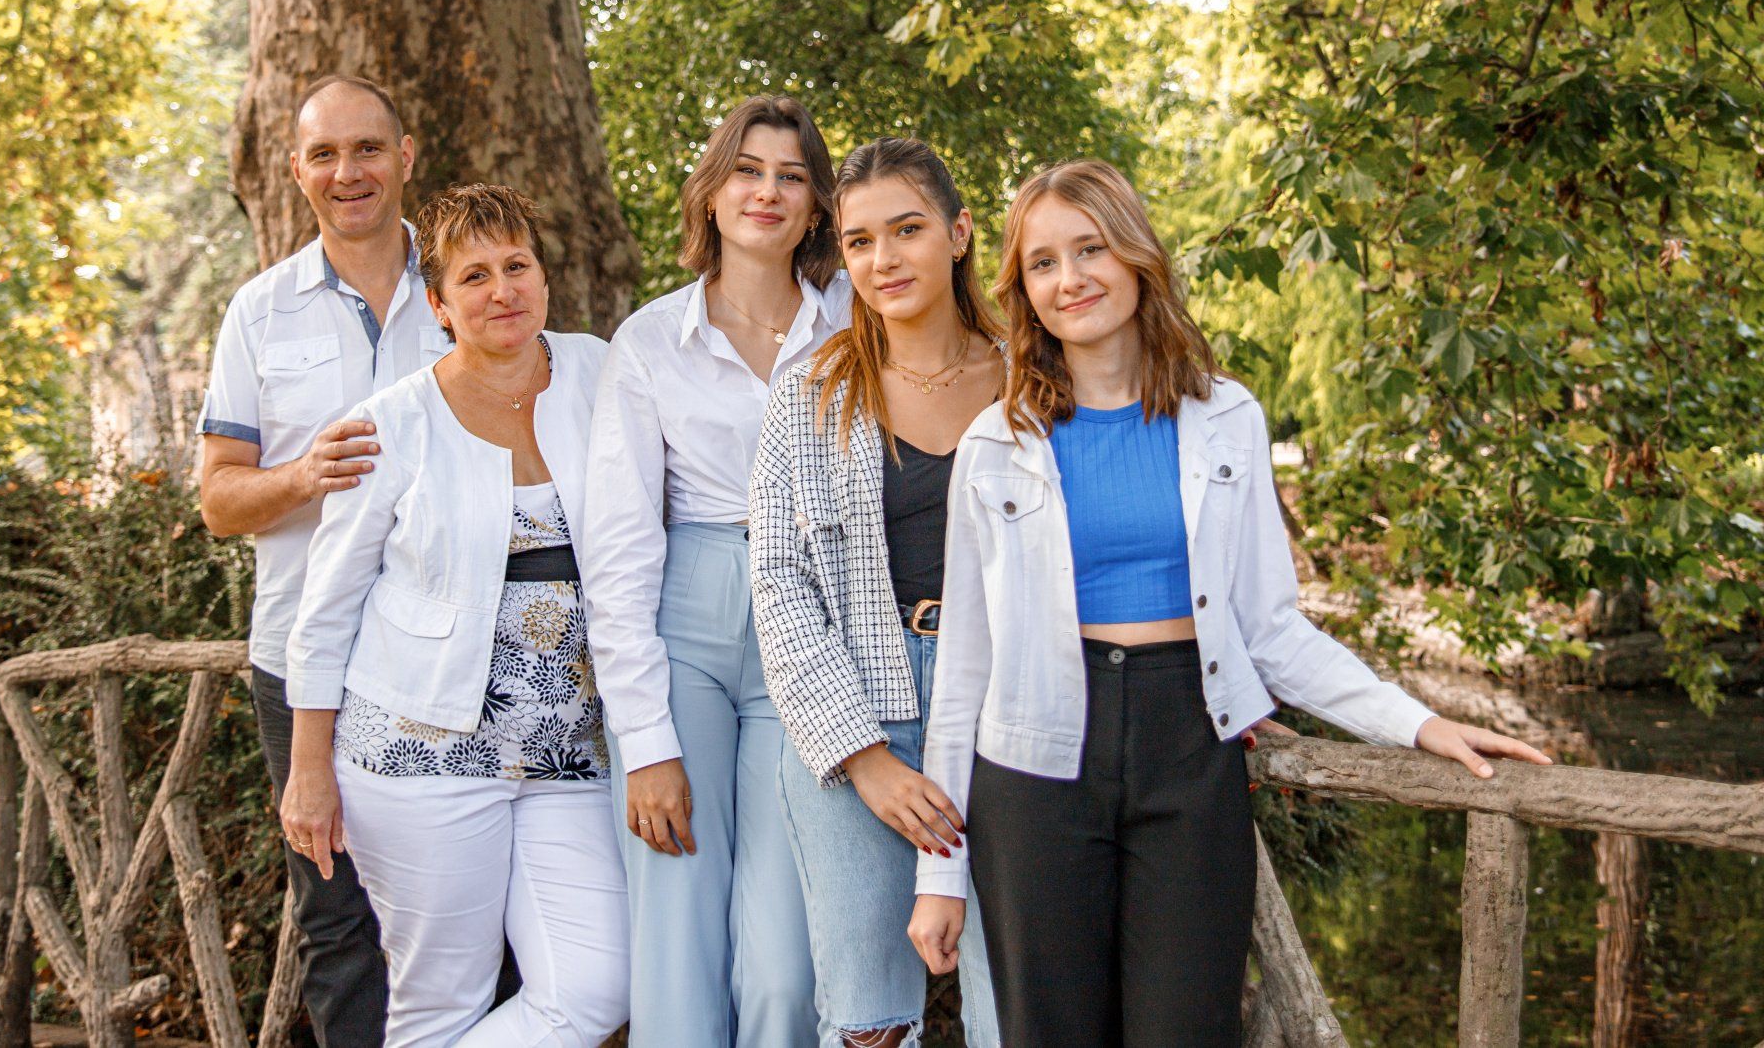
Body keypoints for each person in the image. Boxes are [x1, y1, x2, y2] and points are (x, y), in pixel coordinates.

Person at [908, 159, 1553, 1047]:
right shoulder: (997, 440)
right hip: (1033, 771)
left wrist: (1419, 722)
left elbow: (1271, 629)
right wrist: (937, 872)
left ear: (1136, 256)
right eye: (1043, 263)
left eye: (1091, 248)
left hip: (1190, 750)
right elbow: (964, 668)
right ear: (1022, 288)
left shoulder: (1226, 415)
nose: (1072, 279)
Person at [279, 183, 628, 1048]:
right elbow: (324, 612)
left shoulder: (604, 372)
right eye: (475, 275)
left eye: (517, 265)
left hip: (569, 750)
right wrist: (308, 769)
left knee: (599, 984)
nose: (502, 289)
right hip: (418, 750)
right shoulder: (387, 424)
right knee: (440, 1002)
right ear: (437, 304)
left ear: (544, 276)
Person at [581, 94, 850, 1046]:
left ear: (819, 205)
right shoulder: (651, 340)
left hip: (814, 630)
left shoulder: (860, 325)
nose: (767, 190)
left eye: (791, 174)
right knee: (677, 935)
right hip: (685, 625)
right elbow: (615, 552)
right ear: (713, 189)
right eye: (747, 169)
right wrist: (644, 738)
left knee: (785, 958)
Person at [198, 74, 447, 1048]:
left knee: (473, 910)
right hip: (306, 664)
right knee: (338, 923)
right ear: (297, 170)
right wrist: (303, 475)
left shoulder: (466, 288)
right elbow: (220, 501)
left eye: (369, 149)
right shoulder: (260, 313)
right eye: (326, 154)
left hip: (452, 652)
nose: (350, 172)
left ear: (406, 155)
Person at [749, 139, 1003, 1048]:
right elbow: (779, 586)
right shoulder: (810, 394)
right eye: (860, 242)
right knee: (868, 1024)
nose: (884, 260)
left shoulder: (1033, 381)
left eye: (907, 230)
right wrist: (864, 758)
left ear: (959, 232)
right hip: (857, 712)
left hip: (1006, 715)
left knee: (1013, 1001)